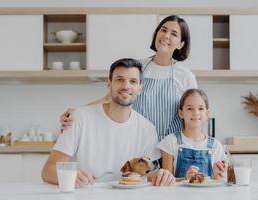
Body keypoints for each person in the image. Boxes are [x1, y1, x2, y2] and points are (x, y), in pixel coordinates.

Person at [60, 15, 197, 141]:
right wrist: (76, 113)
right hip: (136, 144)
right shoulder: (137, 67)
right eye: (163, 30)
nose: (166, 36)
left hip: (170, 151)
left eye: (174, 34)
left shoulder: (185, 76)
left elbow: (193, 118)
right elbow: (109, 99)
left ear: (181, 44)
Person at [42, 58, 175, 188]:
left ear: (140, 88)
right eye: (120, 80)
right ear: (109, 84)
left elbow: (149, 174)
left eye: (133, 81)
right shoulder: (80, 118)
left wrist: (162, 175)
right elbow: (48, 171)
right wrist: (70, 176)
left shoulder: (148, 129)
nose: (126, 86)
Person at [157, 89, 226, 180]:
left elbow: (221, 181)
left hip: (208, 194)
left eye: (201, 108)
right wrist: (185, 179)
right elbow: (165, 181)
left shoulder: (216, 146)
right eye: (190, 108)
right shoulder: (170, 142)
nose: (196, 113)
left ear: (207, 113)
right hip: (178, 194)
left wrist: (218, 177)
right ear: (181, 113)